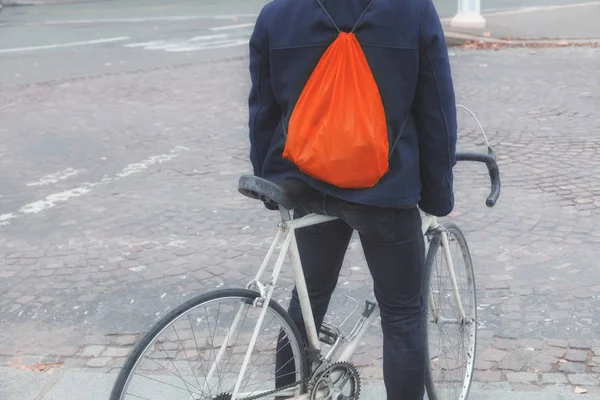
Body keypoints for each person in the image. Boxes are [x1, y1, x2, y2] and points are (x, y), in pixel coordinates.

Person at [247, 0, 457, 398]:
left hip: (308, 184)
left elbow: (263, 109)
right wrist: (438, 195)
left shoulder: (277, 14)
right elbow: (437, 114)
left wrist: (272, 184)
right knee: (402, 316)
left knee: (306, 306)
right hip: (387, 192)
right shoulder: (413, 11)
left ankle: (289, 394)